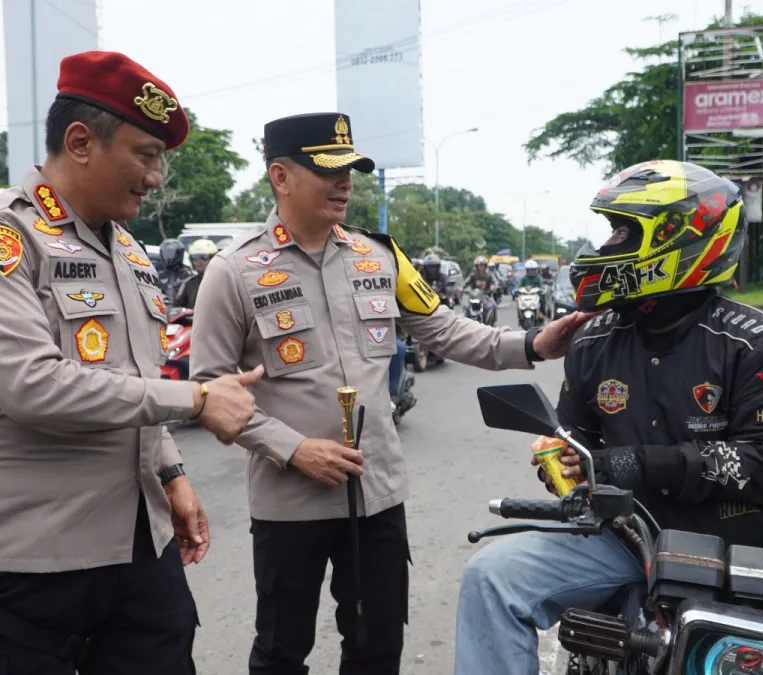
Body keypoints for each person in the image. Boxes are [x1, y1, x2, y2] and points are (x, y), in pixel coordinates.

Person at [190, 111, 596, 675]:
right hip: (289, 504)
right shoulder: (234, 272)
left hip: (377, 497)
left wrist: (532, 343)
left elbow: (446, 330)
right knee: (282, 651)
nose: (345, 183)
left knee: (377, 647)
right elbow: (209, 391)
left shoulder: (378, 257)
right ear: (280, 177)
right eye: (328, 170)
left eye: (351, 170)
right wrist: (292, 447)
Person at [0, 50, 262, 675]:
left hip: (140, 543)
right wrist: (197, 398)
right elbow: (33, 387)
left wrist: (171, 474)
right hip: (34, 559)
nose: (156, 176)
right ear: (80, 142)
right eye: (144, 153)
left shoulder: (129, 253)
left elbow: (132, 380)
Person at [453, 160, 763, 675]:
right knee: (491, 575)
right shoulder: (593, 339)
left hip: (730, 548)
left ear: (680, 239)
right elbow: (576, 437)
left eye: (623, 232)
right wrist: (564, 462)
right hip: (619, 538)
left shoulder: (759, 342)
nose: (605, 247)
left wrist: (629, 465)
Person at [173, 238, 217, 309]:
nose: (199, 261)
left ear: (213, 258)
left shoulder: (223, 282)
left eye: (204, 257)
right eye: (195, 257)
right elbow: (177, 306)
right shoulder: (188, 283)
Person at [157, 237, 195, 302]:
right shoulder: (157, 271)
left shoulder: (186, 272)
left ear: (179, 254)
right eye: (167, 253)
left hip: (180, 308)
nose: (169, 257)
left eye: (171, 254)